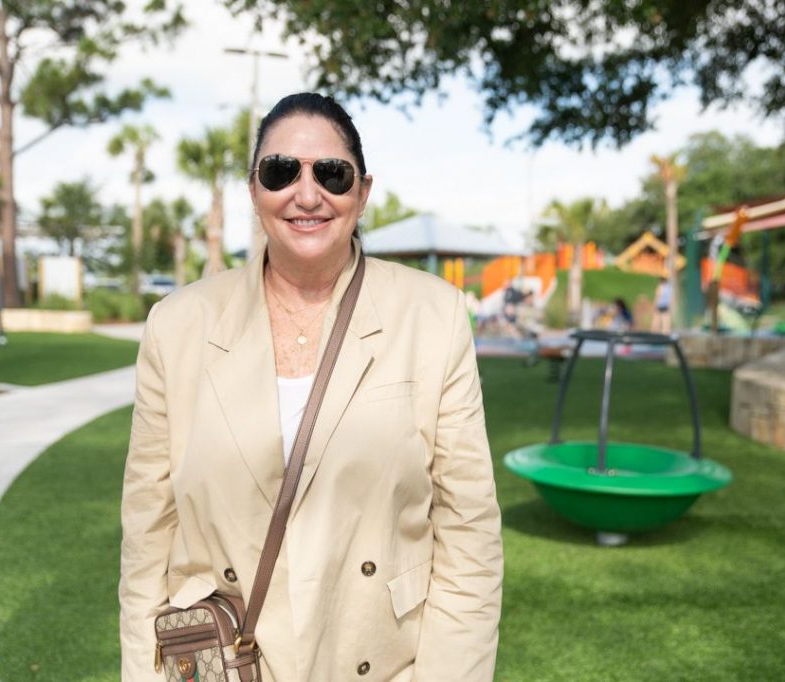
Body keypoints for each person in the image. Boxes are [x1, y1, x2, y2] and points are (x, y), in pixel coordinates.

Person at [119, 93, 503, 681]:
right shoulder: (177, 326)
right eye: (280, 172)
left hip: (383, 660)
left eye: (331, 172)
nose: (306, 194)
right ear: (254, 192)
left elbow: (468, 530)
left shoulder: (433, 315)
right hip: (227, 662)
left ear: (362, 191)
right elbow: (148, 531)